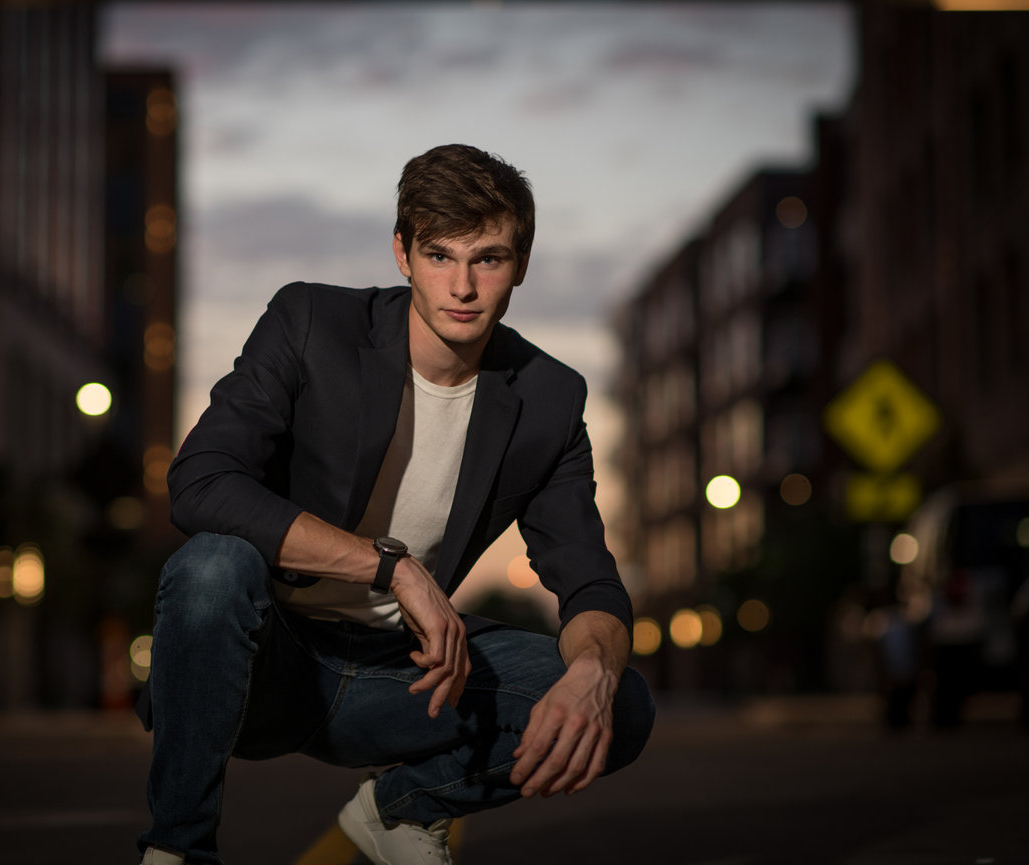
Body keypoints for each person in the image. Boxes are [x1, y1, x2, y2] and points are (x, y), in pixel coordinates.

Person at [137, 143, 655, 865]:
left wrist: (593, 673)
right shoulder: (311, 323)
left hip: (413, 677)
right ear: (402, 253)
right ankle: (177, 850)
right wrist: (392, 567)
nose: (464, 286)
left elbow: (589, 578)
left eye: (490, 258)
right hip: (268, 662)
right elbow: (199, 482)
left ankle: (401, 810)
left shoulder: (548, 397)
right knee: (211, 565)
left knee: (623, 702)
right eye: (441, 255)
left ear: (522, 266)